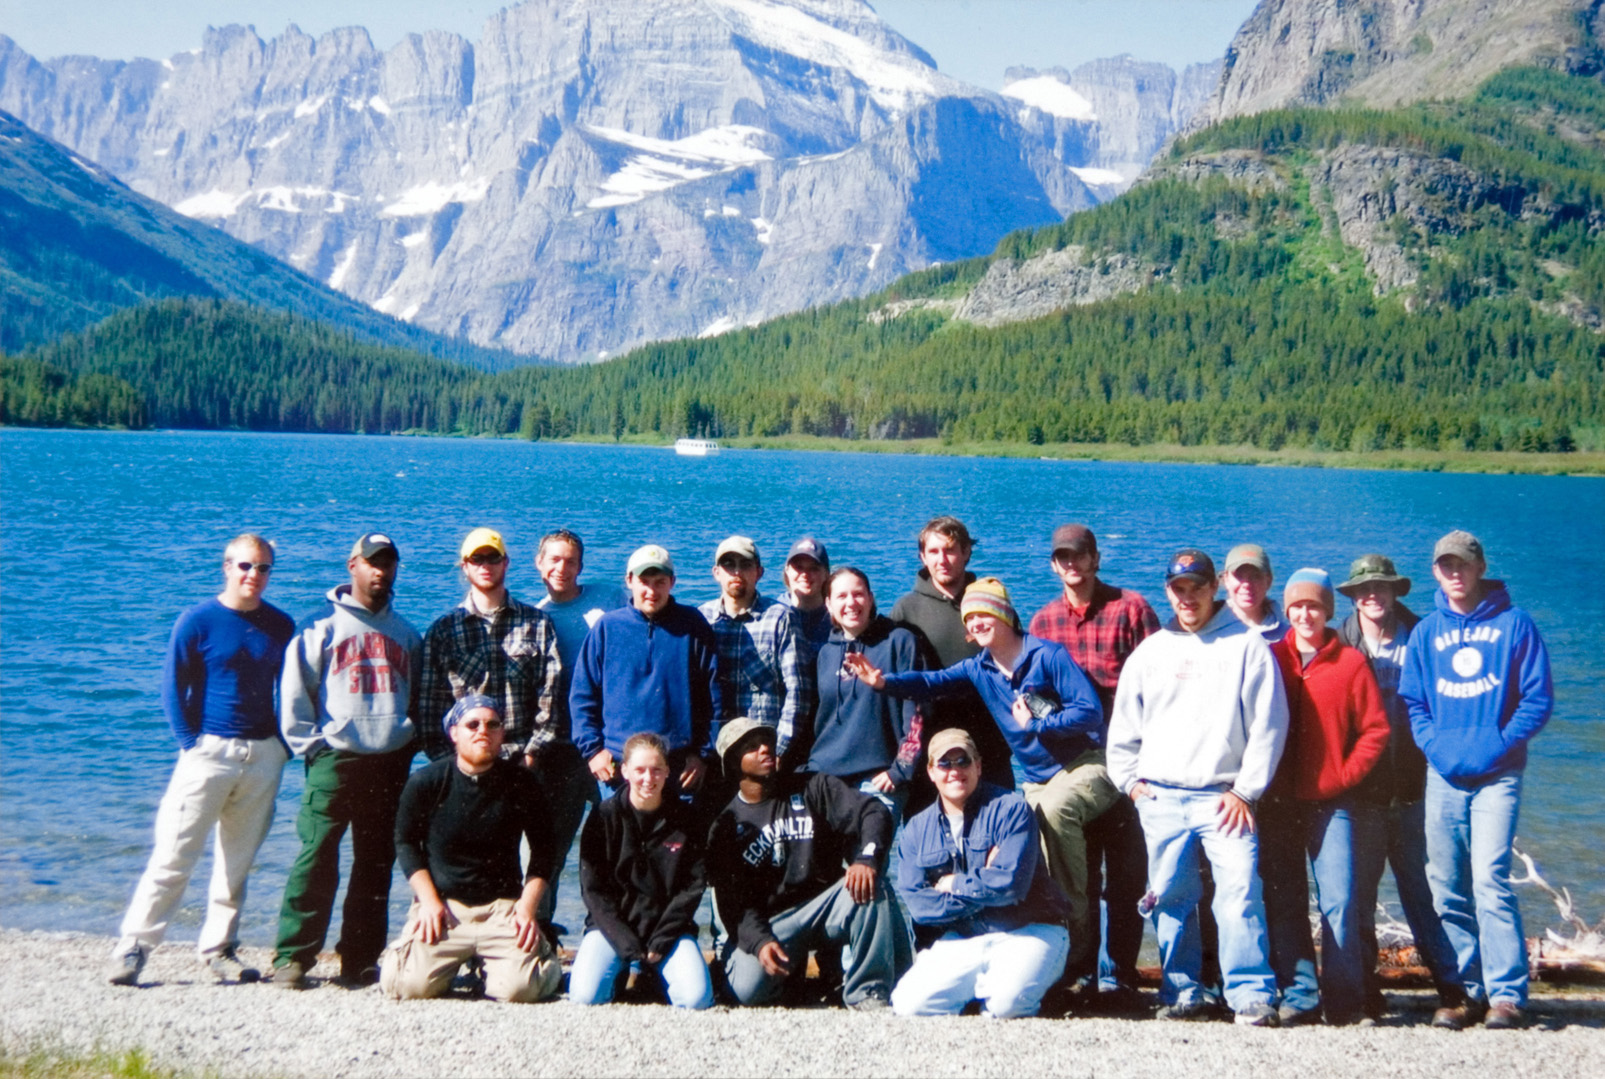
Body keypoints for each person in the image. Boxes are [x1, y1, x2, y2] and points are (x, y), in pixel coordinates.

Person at [844, 577, 1117, 997]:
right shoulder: (980, 668)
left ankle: (1078, 953)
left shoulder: (1047, 656)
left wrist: (1040, 724)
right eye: (971, 617)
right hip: (1037, 779)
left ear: (1005, 614)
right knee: (1027, 843)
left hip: (1085, 764)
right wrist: (884, 683)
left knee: (1056, 814)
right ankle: (1041, 957)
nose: (977, 621)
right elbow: (931, 682)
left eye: (985, 612)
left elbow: (1090, 712)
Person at [1107, 548, 1288, 1026]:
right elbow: (1123, 730)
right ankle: (1182, 989)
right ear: (1168, 591)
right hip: (1161, 797)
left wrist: (1247, 790)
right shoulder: (1151, 651)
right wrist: (1131, 783)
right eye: (1178, 588)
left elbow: (1269, 727)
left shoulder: (1247, 646)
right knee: (1170, 897)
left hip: (1226, 798)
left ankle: (1250, 994)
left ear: (1216, 588)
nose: (1188, 597)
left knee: (1240, 893)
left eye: (1197, 587)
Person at [107, 534, 295, 987]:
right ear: (227, 567)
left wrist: (284, 746)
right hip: (208, 752)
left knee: (237, 864)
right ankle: (134, 946)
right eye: (246, 566)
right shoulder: (197, 621)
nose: (254, 576)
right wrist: (190, 742)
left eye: (264, 568)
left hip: (263, 754)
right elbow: (173, 687)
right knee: (174, 855)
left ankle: (218, 948)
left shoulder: (280, 626)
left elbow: (292, 691)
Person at [1400, 530, 1553, 1030]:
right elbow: (1415, 701)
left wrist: (1499, 743)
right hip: (1443, 774)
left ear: (1480, 566)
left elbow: (1537, 699)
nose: (1454, 572)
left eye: (1462, 563)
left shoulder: (1515, 625)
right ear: (1435, 572)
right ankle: (1465, 990)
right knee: (1446, 886)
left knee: (1490, 880)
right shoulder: (1426, 632)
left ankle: (1507, 995)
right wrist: (1434, 744)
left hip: (1498, 775)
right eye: (1444, 565)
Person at [272, 532, 423, 990]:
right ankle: (293, 956)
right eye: (372, 562)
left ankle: (358, 957)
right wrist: (312, 746)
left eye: (389, 562)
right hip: (334, 760)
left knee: (375, 863)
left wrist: (405, 740)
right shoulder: (319, 626)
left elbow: (417, 697)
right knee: (316, 855)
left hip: (389, 761)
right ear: (352, 565)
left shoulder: (407, 634)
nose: (381, 570)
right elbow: (294, 695)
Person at [1027, 522, 1159, 1010]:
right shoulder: (1043, 622)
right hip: (1071, 767)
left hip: (1128, 763)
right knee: (1077, 876)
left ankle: (1119, 976)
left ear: (1096, 558)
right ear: (1053, 564)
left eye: (1079, 555)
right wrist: (1053, 723)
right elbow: (1035, 694)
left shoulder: (1131, 610)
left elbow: (1159, 682)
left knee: (1125, 878)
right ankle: (1079, 973)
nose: (1071, 564)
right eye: (1062, 557)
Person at [1335, 553, 1465, 1018]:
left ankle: (1456, 988)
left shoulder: (1424, 637)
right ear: (1352, 597)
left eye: (1381, 587)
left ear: (1395, 592)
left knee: (1429, 896)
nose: (1373, 595)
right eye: (1363, 589)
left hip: (1417, 792)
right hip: (1361, 797)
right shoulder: (1339, 644)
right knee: (1359, 898)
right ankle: (1366, 991)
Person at [1259, 569, 1391, 1025]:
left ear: (1329, 610)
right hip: (1277, 801)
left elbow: (1376, 730)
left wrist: (1344, 776)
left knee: (1339, 898)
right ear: (1287, 610)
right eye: (1296, 606)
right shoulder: (1272, 657)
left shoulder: (1350, 662)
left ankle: (1345, 1000)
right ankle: (1299, 995)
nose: (1304, 614)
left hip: (1332, 802)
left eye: (1314, 605)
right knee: (1286, 899)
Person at [708, 717, 911, 1009]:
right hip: (774, 924)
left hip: (824, 908)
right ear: (734, 763)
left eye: (767, 741)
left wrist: (866, 857)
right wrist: (760, 942)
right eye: (752, 747)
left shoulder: (812, 786)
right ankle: (787, 982)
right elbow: (734, 907)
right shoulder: (727, 825)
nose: (765, 749)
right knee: (748, 992)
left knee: (869, 884)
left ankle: (867, 993)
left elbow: (873, 810)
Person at [380, 696, 563, 1003]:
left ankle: (537, 957)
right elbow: (406, 843)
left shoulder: (522, 783)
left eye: (493, 724)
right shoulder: (426, 781)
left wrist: (527, 908)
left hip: (502, 909)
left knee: (521, 990)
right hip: (444, 908)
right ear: (454, 732)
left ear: (502, 734)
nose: (483, 731)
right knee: (406, 987)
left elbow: (545, 850)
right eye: (472, 724)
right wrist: (428, 902)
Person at [891, 730, 1070, 1018]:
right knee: (909, 1005)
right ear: (931, 772)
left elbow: (1011, 885)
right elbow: (919, 906)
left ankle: (1034, 986)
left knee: (1006, 1007)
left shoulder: (1012, 809)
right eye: (945, 764)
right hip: (964, 936)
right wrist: (987, 883)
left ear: (978, 766)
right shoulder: (915, 829)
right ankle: (980, 990)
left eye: (963, 761)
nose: (955, 771)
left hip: (1030, 929)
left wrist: (954, 884)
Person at [569, 732, 714, 1009]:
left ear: (668, 771)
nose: (649, 778)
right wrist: (626, 945)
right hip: (612, 930)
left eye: (656, 770)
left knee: (697, 1000)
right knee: (586, 997)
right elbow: (593, 891)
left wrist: (660, 941)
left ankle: (654, 975)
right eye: (640, 770)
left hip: (668, 931)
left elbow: (691, 889)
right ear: (624, 771)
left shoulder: (687, 820)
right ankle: (621, 971)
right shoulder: (603, 816)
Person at [570, 545, 721, 804]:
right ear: (629, 580)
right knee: (619, 843)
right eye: (644, 581)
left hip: (679, 768)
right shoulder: (607, 628)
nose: (651, 591)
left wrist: (703, 755)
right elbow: (582, 696)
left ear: (672, 582)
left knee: (677, 842)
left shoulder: (693, 625)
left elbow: (715, 696)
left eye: (660, 582)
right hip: (618, 768)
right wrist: (593, 750)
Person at [533, 528, 627, 923]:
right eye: (554, 559)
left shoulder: (610, 597)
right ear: (539, 564)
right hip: (562, 751)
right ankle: (539, 934)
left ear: (581, 566)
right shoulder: (537, 618)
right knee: (548, 848)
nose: (562, 568)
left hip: (615, 743)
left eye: (570, 560)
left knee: (620, 844)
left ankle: (616, 933)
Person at [889, 517, 1013, 792]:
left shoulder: (991, 603)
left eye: (950, 550)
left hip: (990, 747)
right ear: (922, 556)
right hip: (929, 753)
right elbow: (894, 685)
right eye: (933, 552)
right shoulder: (905, 610)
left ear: (967, 552)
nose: (942, 560)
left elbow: (1017, 667)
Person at [795, 567, 924, 818]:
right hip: (826, 777)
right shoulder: (826, 654)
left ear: (871, 599)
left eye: (858, 594)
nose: (851, 603)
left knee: (866, 858)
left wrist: (901, 769)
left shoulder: (899, 641)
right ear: (829, 605)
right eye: (842, 597)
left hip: (878, 780)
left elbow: (917, 711)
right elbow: (818, 720)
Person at [698, 536, 813, 767]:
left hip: (765, 753)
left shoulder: (780, 618)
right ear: (716, 572)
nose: (737, 572)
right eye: (729, 564)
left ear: (759, 572)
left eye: (746, 564)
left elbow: (798, 692)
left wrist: (778, 749)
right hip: (717, 752)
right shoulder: (702, 619)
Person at [1222, 544, 1288, 640]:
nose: (1247, 584)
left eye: (1255, 576)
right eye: (1239, 576)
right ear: (1226, 579)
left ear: (1268, 580)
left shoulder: (1288, 637)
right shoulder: (1210, 632)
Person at [780, 536, 833, 649]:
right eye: (798, 567)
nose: (805, 574)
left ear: (826, 574)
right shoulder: (774, 614)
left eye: (813, 568)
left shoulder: (837, 616)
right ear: (787, 571)